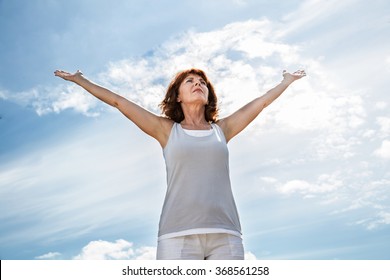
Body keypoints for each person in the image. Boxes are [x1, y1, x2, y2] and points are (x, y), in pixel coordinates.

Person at [54, 67, 306, 260]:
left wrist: (285, 82)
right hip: (177, 234)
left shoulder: (223, 129)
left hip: (226, 234)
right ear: (177, 96)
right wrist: (81, 80)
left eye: (202, 82)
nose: (198, 84)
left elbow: (260, 103)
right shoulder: (166, 130)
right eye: (191, 81)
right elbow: (119, 102)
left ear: (208, 97)